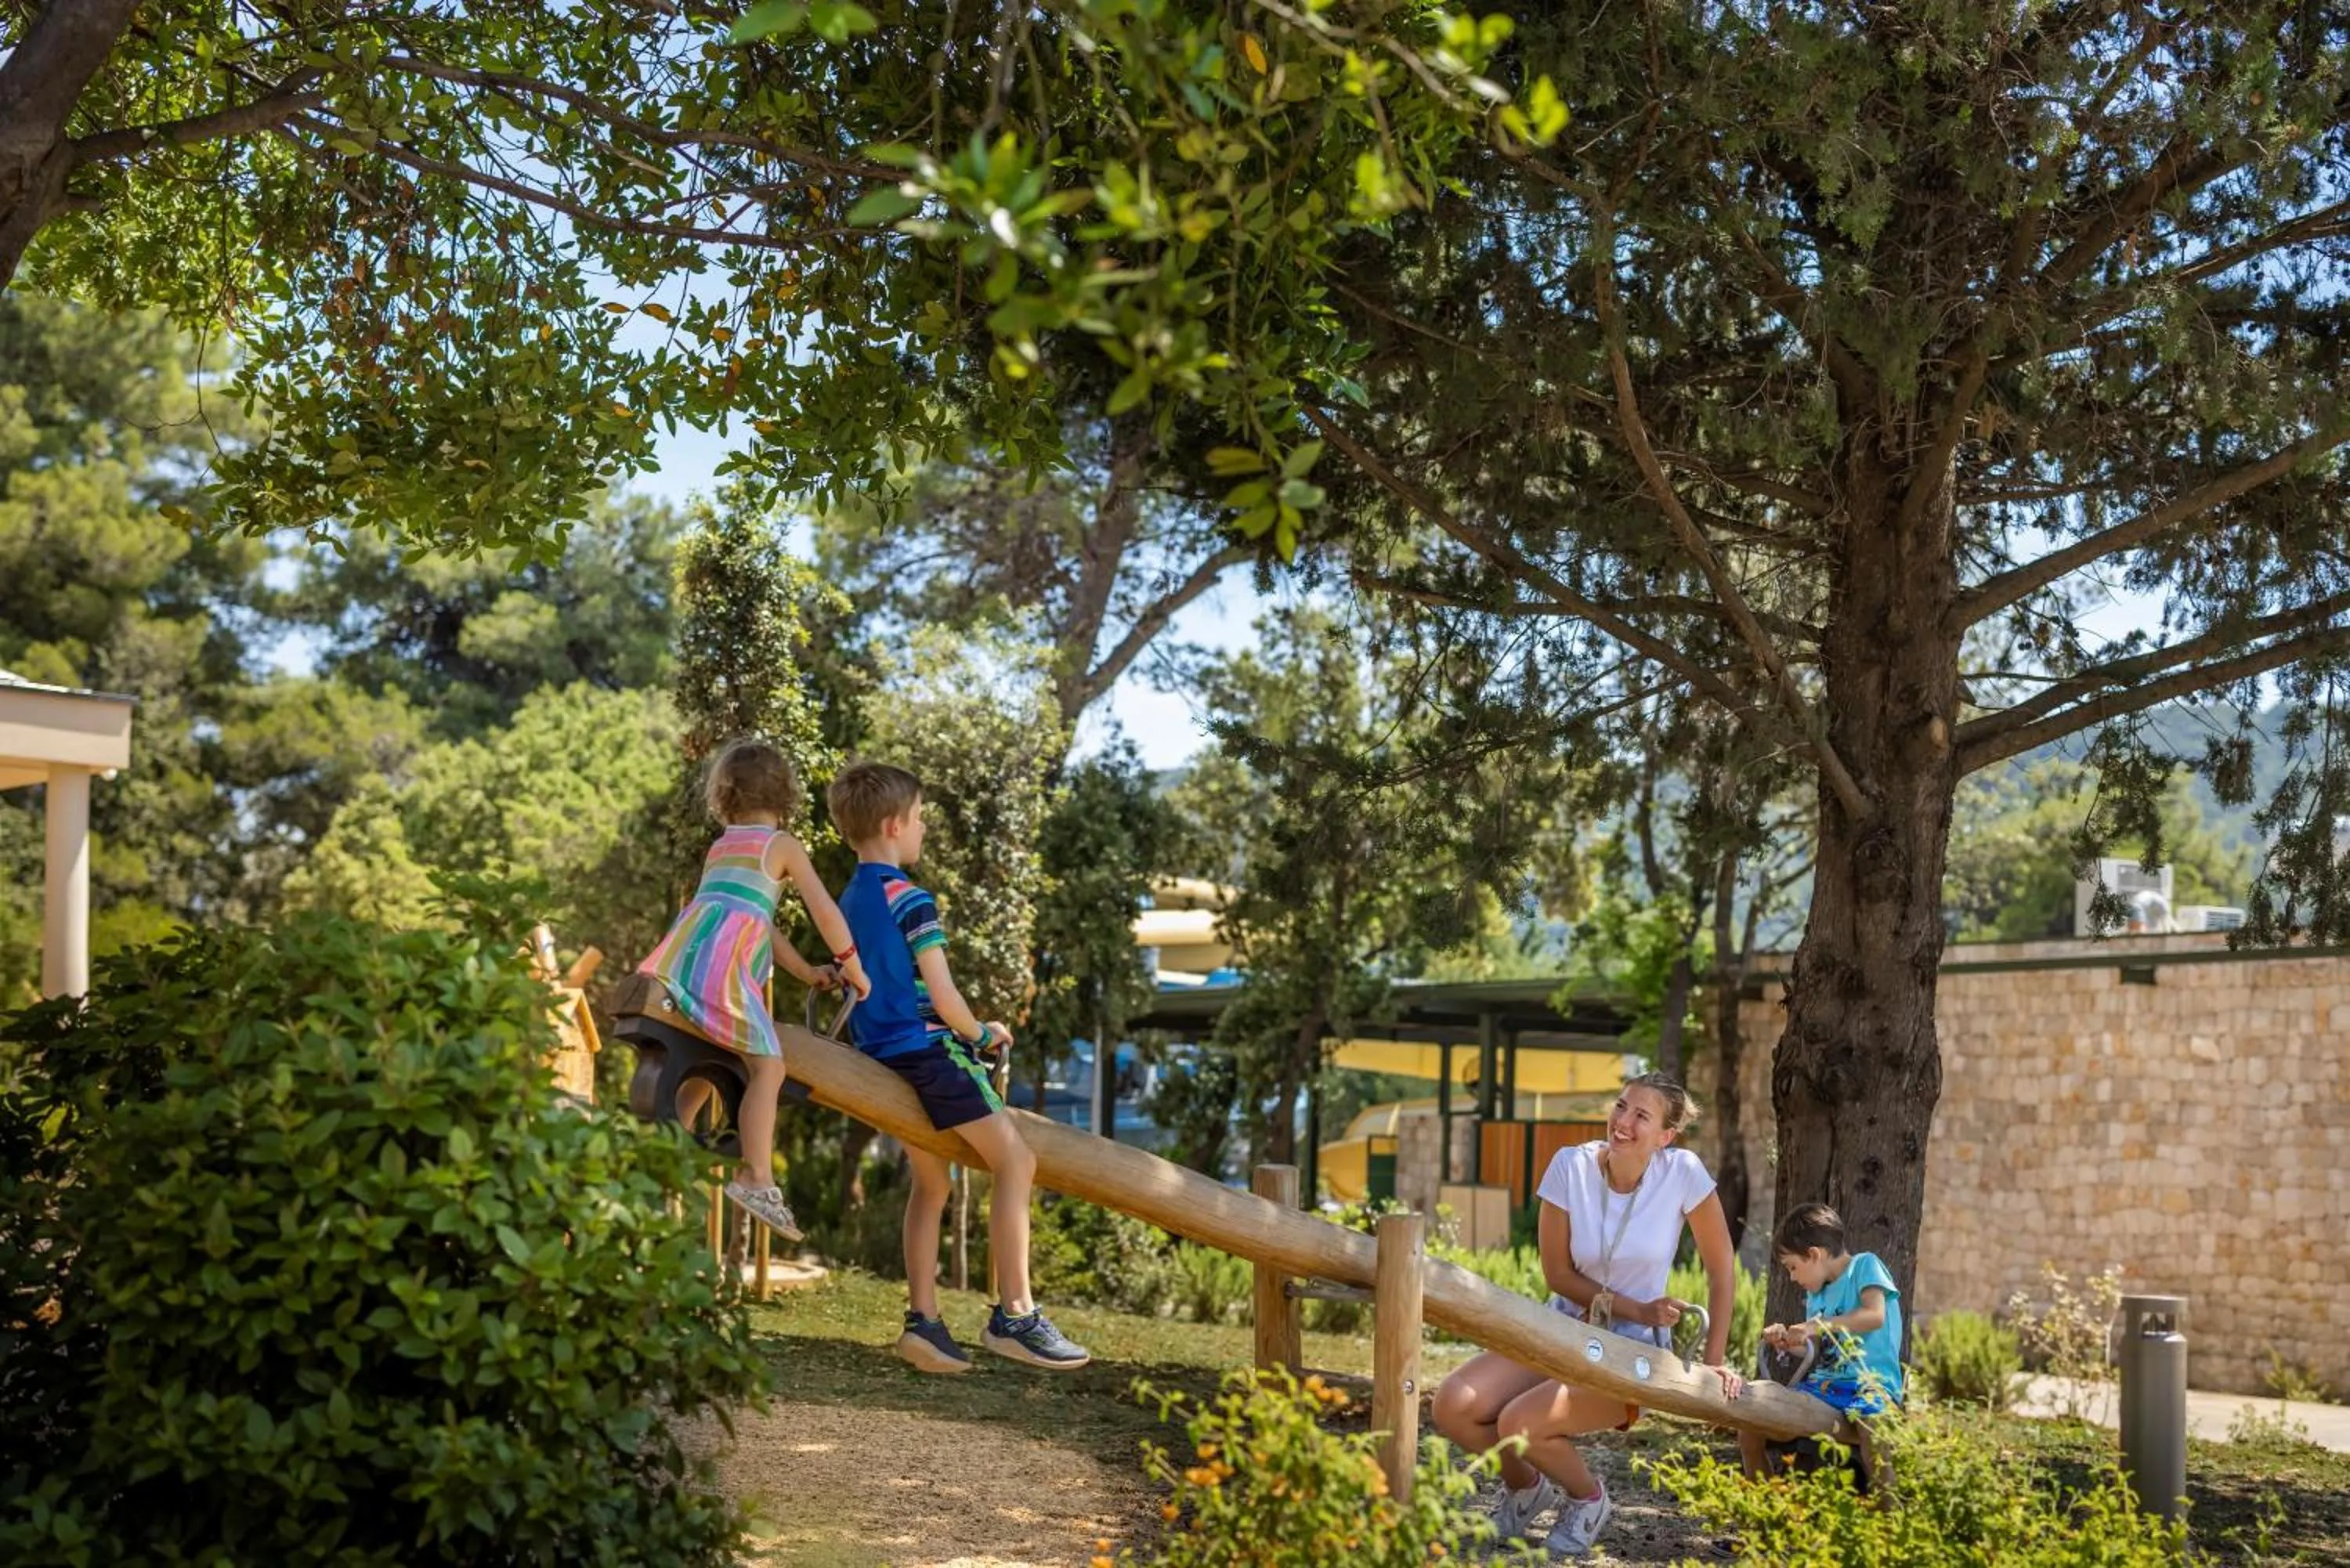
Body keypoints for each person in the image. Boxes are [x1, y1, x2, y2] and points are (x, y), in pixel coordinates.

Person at [826, 760, 1090, 1375]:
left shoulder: (850, 898)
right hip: (927, 1054)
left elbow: (883, 987)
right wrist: (981, 1035)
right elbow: (942, 997)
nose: (923, 830)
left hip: (880, 1055)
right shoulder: (909, 898)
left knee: (933, 1184)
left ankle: (925, 1322)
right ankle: (1016, 1315)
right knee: (1017, 1160)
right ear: (894, 825)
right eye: (919, 820)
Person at [1432, 1072, 1744, 1559]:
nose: (1623, 1122)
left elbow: (1722, 1270)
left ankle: (1588, 1499)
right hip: (1562, 1325)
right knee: (1453, 1404)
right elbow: (1557, 1273)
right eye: (1621, 1106)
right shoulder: (1569, 1166)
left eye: (1642, 1115)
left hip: (1633, 1349)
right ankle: (1527, 1489)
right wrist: (1637, 1304)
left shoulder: (1682, 1172)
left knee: (1519, 1422)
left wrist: (1715, 1357)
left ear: (1666, 1136)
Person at [638, 739, 870, 1242]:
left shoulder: (722, 846)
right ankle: (755, 1176)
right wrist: (851, 963)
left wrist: (807, 972)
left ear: (725, 795)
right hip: (724, 974)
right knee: (768, 1066)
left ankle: (659, 1160)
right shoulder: (780, 845)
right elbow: (823, 910)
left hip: (687, 963)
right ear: (785, 793)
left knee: (708, 1060)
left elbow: (757, 922)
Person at [1741, 1201, 1904, 1491]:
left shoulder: (1865, 1266)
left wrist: (1817, 1325)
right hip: (1826, 1389)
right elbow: (1819, 1350)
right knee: (1749, 1425)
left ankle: (1888, 1524)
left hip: (1871, 1385)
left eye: (1793, 1267)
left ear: (1814, 1255)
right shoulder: (1818, 1295)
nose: (1792, 1277)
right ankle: (1766, 1517)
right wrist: (1788, 1343)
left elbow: (1874, 1315)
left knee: (1873, 1431)